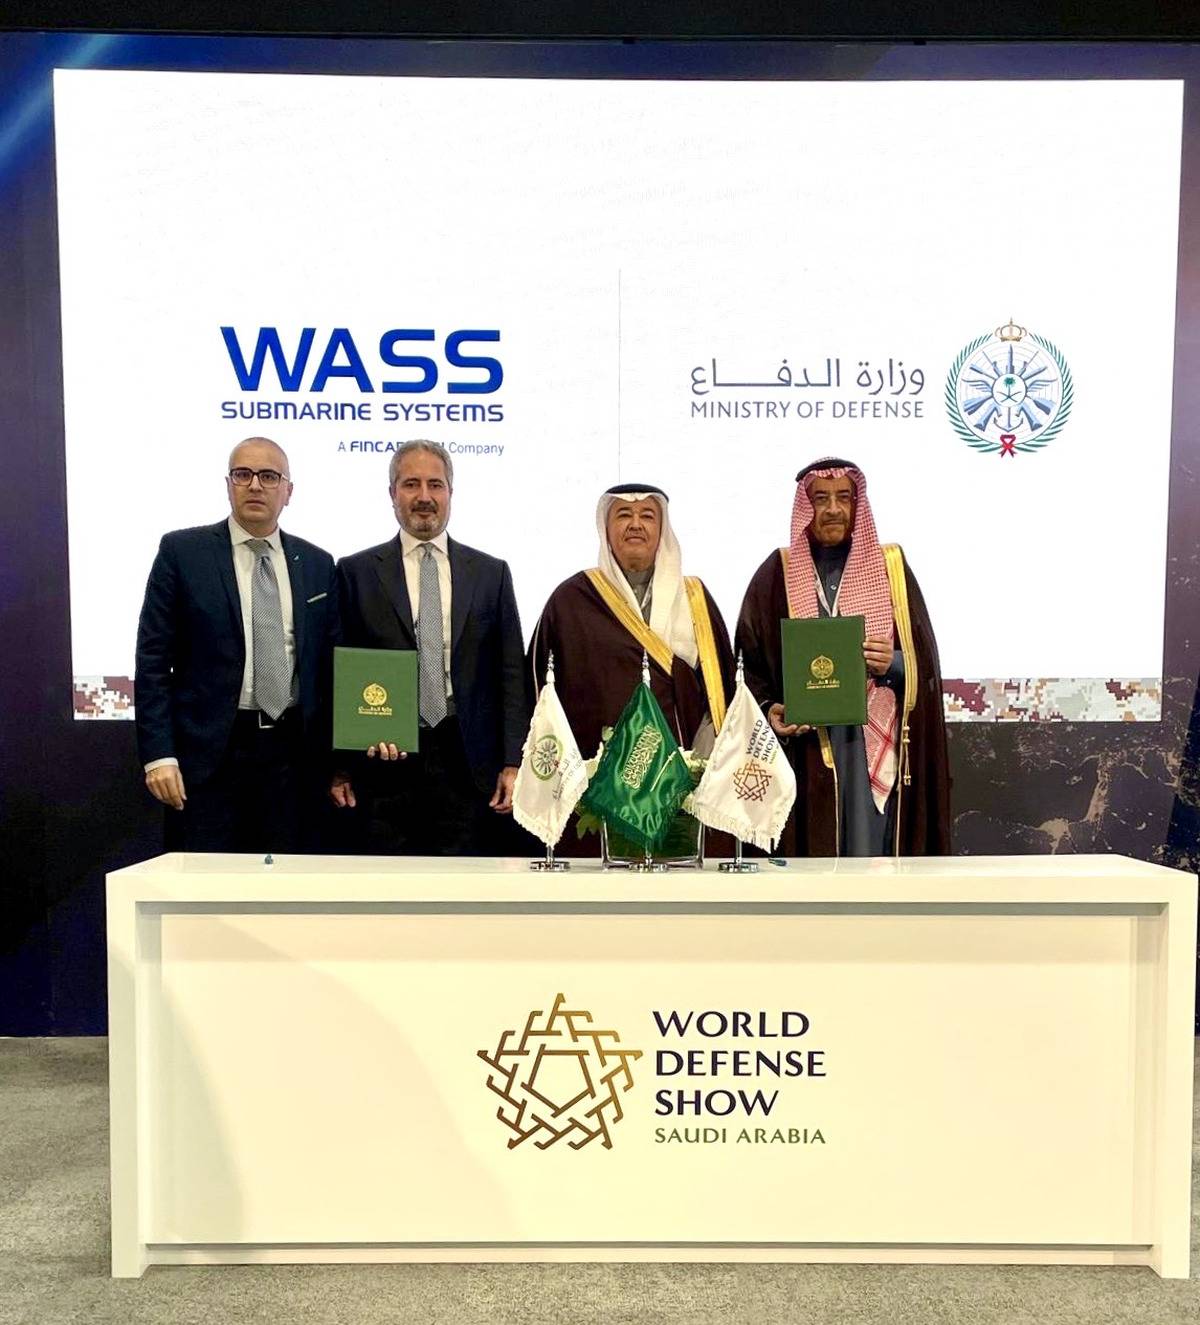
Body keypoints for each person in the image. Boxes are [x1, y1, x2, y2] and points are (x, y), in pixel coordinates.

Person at [735, 457, 950, 856]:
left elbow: (926, 664)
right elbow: (747, 666)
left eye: (843, 498)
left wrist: (894, 664)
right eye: (820, 499)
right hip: (805, 752)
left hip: (870, 741)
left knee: (871, 858)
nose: (833, 509)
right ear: (806, 507)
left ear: (856, 504)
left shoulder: (891, 570)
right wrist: (769, 709)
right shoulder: (776, 574)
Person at [135, 437, 338, 852]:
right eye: (243, 474)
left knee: (287, 883)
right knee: (203, 883)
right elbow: (153, 660)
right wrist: (159, 754)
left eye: (269, 476)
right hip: (208, 757)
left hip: (292, 758)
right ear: (228, 485)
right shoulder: (182, 553)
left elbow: (332, 666)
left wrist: (341, 764)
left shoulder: (318, 563)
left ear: (288, 491)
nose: (255, 485)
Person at [331, 440, 528, 854]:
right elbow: (339, 672)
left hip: (470, 765)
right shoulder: (355, 573)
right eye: (411, 484)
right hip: (383, 768)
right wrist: (342, 764)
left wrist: (514, 761)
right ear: (392, 493)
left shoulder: (491, 573)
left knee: (464, 889)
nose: (424, 496)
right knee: (387, 889)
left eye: (435, 485)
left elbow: (511, 672)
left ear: (450, 492)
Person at [529, 482, 735, 766]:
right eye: (624, 515)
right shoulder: (571, 601)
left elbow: (722, 694)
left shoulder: (694, 599)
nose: (636, 524)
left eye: (647, 516)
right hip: (596, 775)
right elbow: (539, 691)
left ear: (662, 530)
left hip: (682, 770)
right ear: (606, 529)